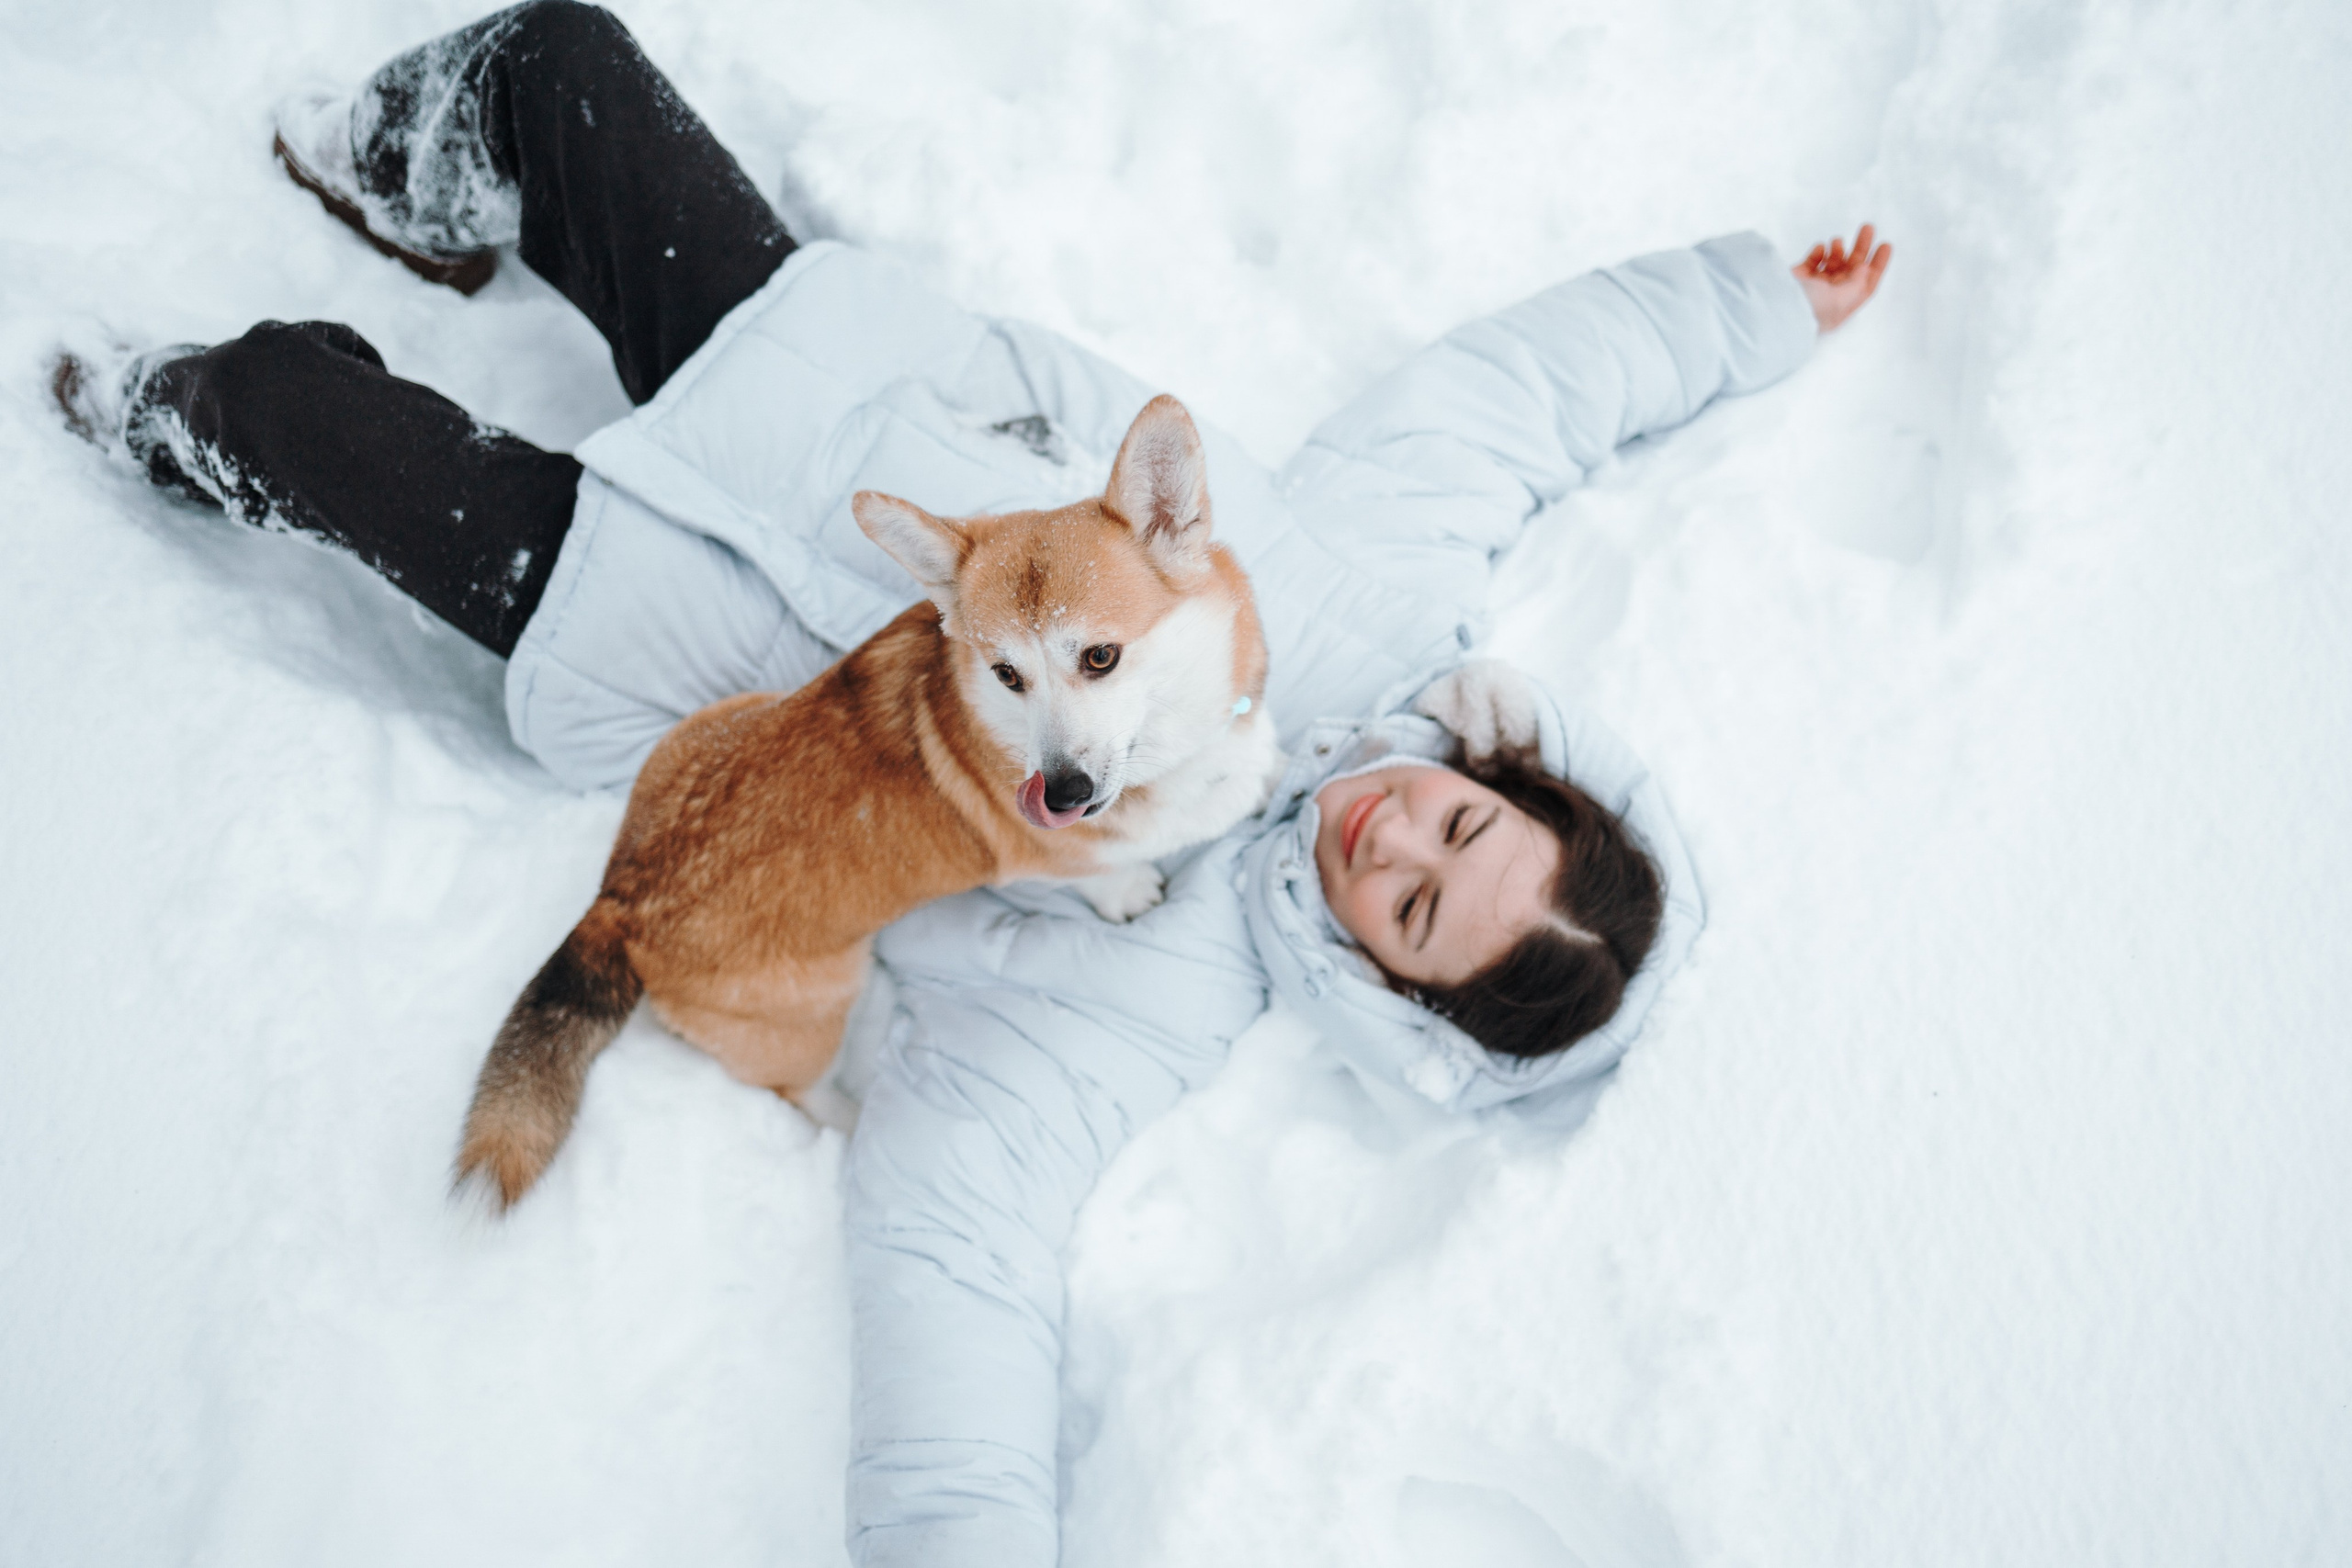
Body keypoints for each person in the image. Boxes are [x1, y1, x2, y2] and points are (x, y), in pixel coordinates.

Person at [48, 5, 1891, 1562]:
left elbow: (957, 1242)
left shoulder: (1147, 987)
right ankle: (399, 169)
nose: (1389, 834)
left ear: (1386, 978)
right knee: (553, 59)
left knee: (291, 411)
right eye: (1462, 821)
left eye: (1410, 905)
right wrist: (1743, 310)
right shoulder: (1374, 587)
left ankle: (159, 412)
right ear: (1505, 777)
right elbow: (1516, 395)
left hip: (626, 620)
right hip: (820, 393)